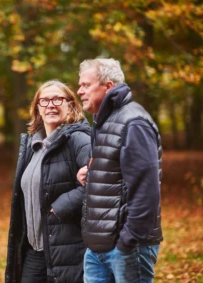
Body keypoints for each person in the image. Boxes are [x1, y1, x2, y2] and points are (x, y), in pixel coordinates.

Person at [76, 58, 163, 283]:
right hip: (98, 249)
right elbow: (118, 174)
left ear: (108, 86)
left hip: (126, 248)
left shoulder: (133, 122)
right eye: (80, 85)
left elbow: (147, 190)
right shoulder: (103, 121)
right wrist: (92, 174)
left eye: (86, 85)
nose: (79, 91)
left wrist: (128, 241)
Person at [5, 80, 91, 283]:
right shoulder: (33, 146)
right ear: (37, 109)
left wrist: (62, 205)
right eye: (44, 101)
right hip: (34, 251)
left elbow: (101, 181)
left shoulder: (79, 139)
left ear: (70, 105)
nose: (50, 105)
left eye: (57, 99)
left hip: (68, 251)